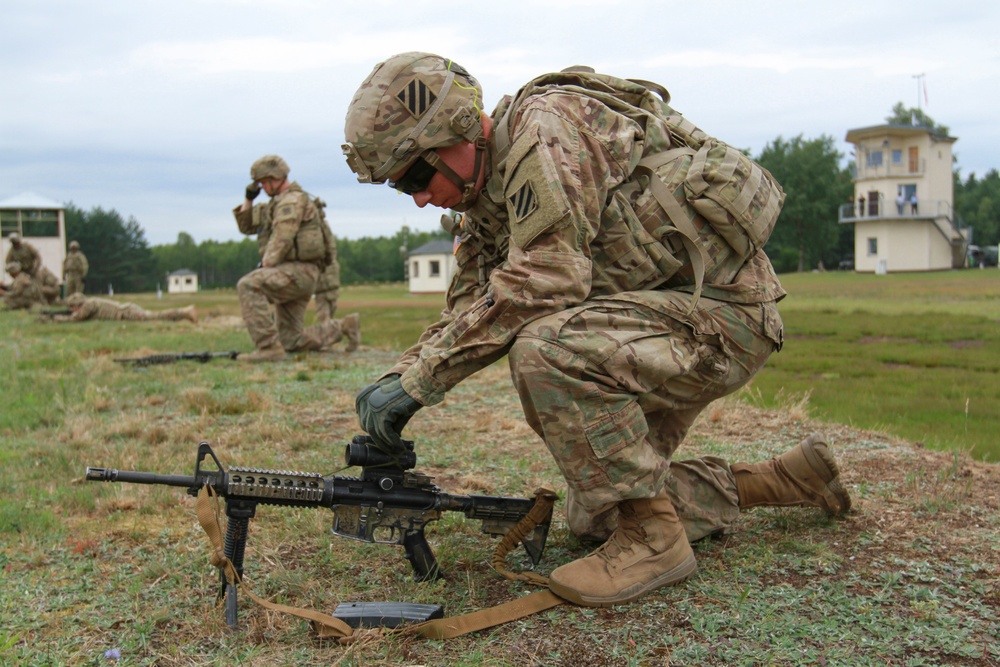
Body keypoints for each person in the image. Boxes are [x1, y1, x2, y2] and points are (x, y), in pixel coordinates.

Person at [343, 53, 852, 608]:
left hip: (723, 319)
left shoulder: (548, 133)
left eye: (417, 175)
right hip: (659, 325)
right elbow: (467, 304)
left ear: (458, 132)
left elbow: (548, 277)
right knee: (599, 511)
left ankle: (655, 541)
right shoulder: (487, 198)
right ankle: (786, 479)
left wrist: (422, 381)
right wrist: (400, 378)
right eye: (400, 188)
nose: (418, 197)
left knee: (546, 350)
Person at [234, 155, 360, 362]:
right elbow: (246, 226)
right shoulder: (275, 204)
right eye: (260, 183)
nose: (263, 187)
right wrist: (249, 198)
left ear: (276, 178)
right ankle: (343, 326)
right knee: (291, 340)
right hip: (294, 273)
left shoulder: (291, 201)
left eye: (265, 181)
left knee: (248, 285)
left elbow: (284, 235)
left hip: (297, 272)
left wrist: (267, 264)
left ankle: (267, 348)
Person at [311, 198, 360, 352]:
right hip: (330, 274)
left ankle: (348, 325)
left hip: (323, 275)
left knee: (323, 315)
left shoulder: (315, 227)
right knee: (328, 312)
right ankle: (342, 336)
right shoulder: (323, 225)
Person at [50, 292, 197, 323]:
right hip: (126, 310)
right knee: (154, 316)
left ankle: (185, 311)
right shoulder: (91, 302)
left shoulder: (89, 304)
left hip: (126, 313)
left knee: (155, 316)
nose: (73, 310)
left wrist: (56, 318)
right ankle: (185, 314)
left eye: (73, 307)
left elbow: (77, 318)